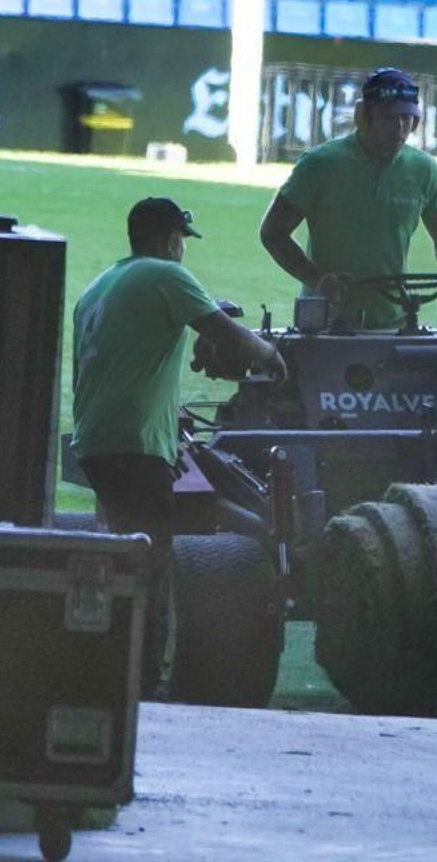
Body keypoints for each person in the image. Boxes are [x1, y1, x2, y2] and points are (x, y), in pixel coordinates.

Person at [71, 196, 286, 692]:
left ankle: (106, 669)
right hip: (134, 444)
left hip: (98, 441)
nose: (183, 250)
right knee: (151, 568)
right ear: (171, 239)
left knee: (122, 556)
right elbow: (227, 335)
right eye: (182, 241)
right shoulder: (167, 276)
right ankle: (139, 684)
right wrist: (272, 357)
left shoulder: (98, 286)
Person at [259, 67, 437, 330]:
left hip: (395, 323)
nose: (399, 126)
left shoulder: (423, 169)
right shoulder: (320, 164)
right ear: (363, 116)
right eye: (388, 117)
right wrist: (318, 280)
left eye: (408, 118)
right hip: (326, 322)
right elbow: (273, 233)